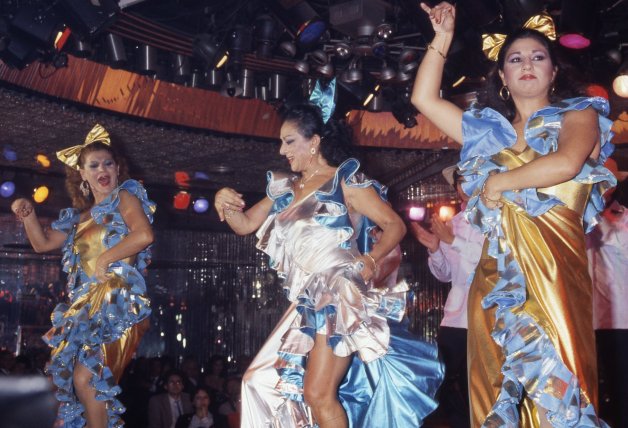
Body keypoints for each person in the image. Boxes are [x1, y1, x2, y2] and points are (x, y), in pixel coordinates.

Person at [411, 2, 614, 426]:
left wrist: (498, 183)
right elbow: (424, 98)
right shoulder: (488, 133)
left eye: (538, 57)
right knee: (494, 392)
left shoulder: (578, 115)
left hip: (555, 277)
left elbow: (567, 162)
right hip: (494, 283)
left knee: (561, 394)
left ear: (554, 70)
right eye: (515, 59)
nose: (527, 65)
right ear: (502, 76)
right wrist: (444, 37)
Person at [214, 102, 443, 427]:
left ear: (315, 141)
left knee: (318, 394)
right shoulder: (286, 188)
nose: (282, 150)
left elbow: (395, 225)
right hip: (307, 300)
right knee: (258, 381)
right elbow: (245, 223)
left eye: (289, 141)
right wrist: (222, 200)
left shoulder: (344, 181)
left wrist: (371, 258)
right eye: (281, 142)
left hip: (338, 293)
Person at [11, 123, 156, 428]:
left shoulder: (125, 199)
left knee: (85, 378)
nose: (102, 169)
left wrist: (106, 258)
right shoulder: (78, 219)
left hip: (119, 304)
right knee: (78, 389)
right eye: (94, 165)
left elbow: (143, 235)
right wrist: (27, 213)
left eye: (108, 163)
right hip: (86, 310)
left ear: (117, 169)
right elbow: (41, 243)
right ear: (82, 174)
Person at [410, 166, 484, 428]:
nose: (466, 185)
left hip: (485, 317)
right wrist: (434, 250)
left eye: (473, 178)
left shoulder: (496, 218)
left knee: (478, 384)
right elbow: (444, 275)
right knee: (442, 381)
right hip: (454, 318)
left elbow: (489, 264)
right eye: (461, 181)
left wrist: (453, 242)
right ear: (456, 187)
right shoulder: (453, 223)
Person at [586, 160, 628, 428]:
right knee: (590, 392)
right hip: (587, 322)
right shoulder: (577, 220)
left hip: (619, 321)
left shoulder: (622, 218)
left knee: (621, 387)